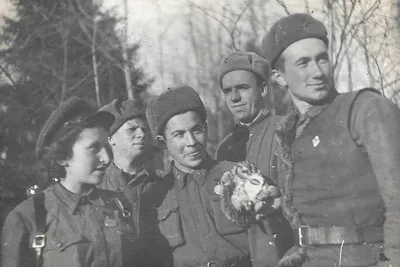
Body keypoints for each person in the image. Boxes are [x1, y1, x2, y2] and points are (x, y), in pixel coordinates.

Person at [262, 13, 400, 266]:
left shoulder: (365, 109)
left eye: (322, 58)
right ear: (278, 77)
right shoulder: (288, 136)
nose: (318, 72)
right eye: (303, 63)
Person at [146, 84, 281, 267]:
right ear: (163, 142)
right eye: (179, 135)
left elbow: (266, 242)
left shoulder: (237, 176)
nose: (191, 142)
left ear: (206, 128)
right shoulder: (157, 195)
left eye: (197, 130)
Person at [1, 97, 137, 267]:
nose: (107, 158)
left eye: (107, 147)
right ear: (62, 156)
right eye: (94, 148)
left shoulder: (119, 204)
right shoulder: (29, 216)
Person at [215, 51, 294, 264]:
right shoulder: (224, 149)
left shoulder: (286, 130)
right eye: (228, 91)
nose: (234, 97)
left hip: (286, 254)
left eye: (242, 88)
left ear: (263, 89)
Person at [98, 99, 167, 266]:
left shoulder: (164, 182)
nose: (142, 134)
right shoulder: (96, 186)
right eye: (131, 129)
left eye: (144, 129)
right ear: (111, 139)